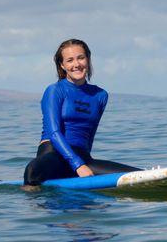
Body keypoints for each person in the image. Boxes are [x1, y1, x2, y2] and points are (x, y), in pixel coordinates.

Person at [23, 38, 140, 189]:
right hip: (54, 154)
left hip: (82, 157)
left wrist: (84, 164)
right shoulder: (55, 91)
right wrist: (78, 166)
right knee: (32, 171)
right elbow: (54, 132)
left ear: (88, 60)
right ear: (62, 65)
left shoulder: (100, 95)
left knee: (137, 176)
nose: (76, 64)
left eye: (81, 58)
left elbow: (90, 134)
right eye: (70, 60)